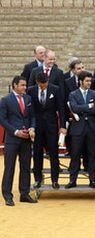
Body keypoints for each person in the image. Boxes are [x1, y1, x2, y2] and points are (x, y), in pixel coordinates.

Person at [0, 76, 37, 206]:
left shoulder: (28, 98)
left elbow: (32, 116)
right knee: (9, 168)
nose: (25, 87)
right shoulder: (5, 100)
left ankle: (24, 194)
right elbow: (3, 120)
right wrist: (16, 132)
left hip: (26, 138)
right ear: (15, 85)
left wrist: (32, 127)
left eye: (25, 85)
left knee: (26, 167)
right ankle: (7, 196)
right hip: (12, 139)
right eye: (22, 85)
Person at [27, 72, 66, 189]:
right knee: (37, 154)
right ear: (37, 82)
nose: (44, 86)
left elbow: (61, 108)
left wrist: (62, 126)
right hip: (37, 127)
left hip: (52, 126)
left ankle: (55, 180)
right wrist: (30, 126)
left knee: (54, 153)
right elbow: (30, 111)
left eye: (46, 83)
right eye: (42, 84)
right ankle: (38, 179)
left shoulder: (56, 89)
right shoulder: (31, 90)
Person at [66, 71, 95, 189]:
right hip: (77, 129)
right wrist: (88, 107)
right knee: (75, 155)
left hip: (91, 129)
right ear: (80, 82)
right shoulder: (73, 94)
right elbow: (73, 107)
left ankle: (93, 180)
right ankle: (72, 180)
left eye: (90, 81)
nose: (89, 83)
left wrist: (82, 109)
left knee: (92, 155)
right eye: (87, 81)